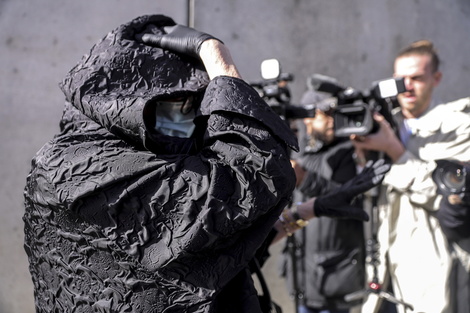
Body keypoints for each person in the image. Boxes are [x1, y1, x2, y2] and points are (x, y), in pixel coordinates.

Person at [22, 14, 390, 313]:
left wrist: (308, 210)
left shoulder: (76, 161)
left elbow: (202, 257)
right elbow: (260, 174)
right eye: (178, 105)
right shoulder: (92, 168)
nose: (192, 118)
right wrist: (218, 59)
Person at [352, 40, 470, 313]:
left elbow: (448, 196)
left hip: (433, 265)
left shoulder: (459, 126)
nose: (407, 87)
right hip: (383, 266)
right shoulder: (382, 124)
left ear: (436, 79)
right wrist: (363, 154)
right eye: (400, 80)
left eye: (416, 78)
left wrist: (395, 151)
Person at [279, 89, 367, 313]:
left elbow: (346, 197)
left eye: (335, 114)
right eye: (324, 114)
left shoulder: (348, 151)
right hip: (302, 275)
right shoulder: (299, 152)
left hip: (333, 276)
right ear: (308, 118)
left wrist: (304, 178)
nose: (332, 121)